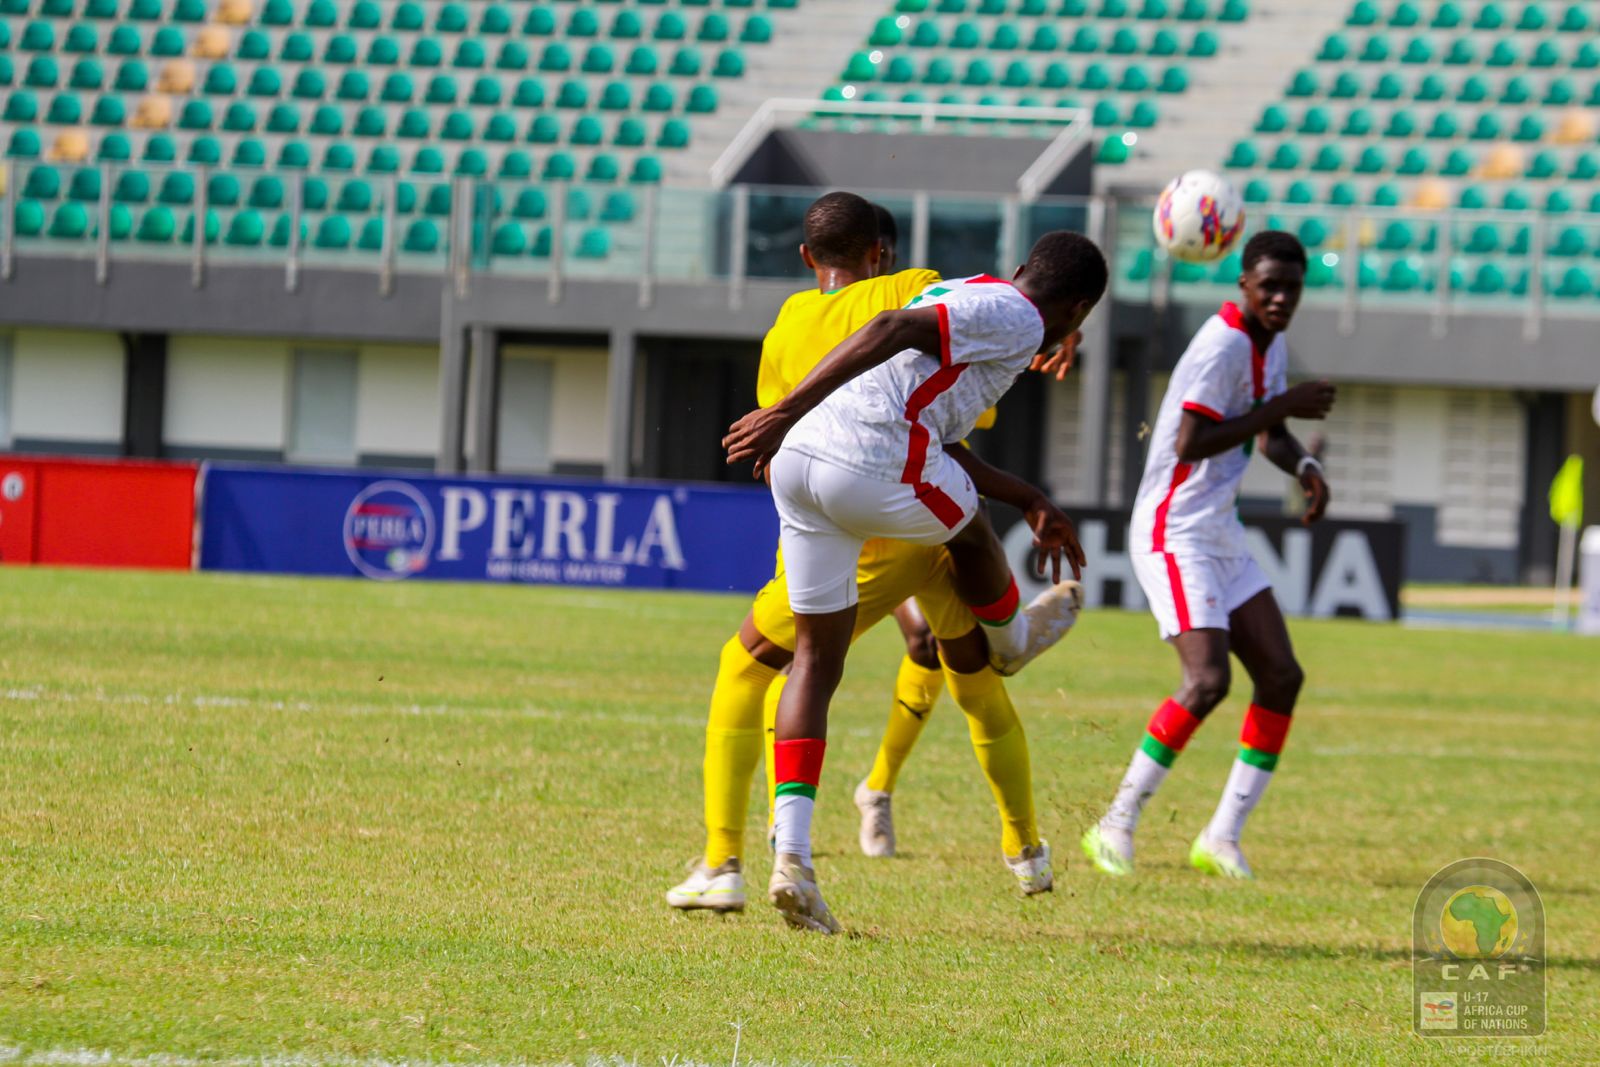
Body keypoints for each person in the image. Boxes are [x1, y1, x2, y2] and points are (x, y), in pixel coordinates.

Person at [667, 194, 1075, 918]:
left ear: (805, 258)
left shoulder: (788, 322)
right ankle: (1026, 849)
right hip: (912, 511)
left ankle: (729, 859)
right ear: (880, 253)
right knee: (973, 676)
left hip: (844, 503)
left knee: (757, 664)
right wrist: (1051, 333)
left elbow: (792, 429)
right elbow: (953, 421)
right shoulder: (912, 285)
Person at [1080, 230, 1336, 881]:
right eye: (1270, 285)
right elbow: (1193, 440)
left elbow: (1267, 432)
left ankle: (1220, 836)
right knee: (1208, 680)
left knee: (1282, 675)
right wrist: (1282, 405)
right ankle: (1115, 823)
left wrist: (1302, 463)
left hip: (1218, 527)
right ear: (1244, 285)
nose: (1281, 298)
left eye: (1292, 288)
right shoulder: (1221, 345)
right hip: (1173, 528)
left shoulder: (1266, 341)